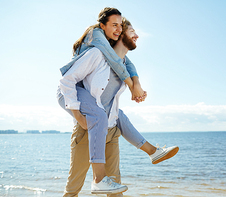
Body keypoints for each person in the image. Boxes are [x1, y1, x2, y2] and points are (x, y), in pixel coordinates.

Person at [58, 8, 179, 196]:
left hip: (111, 130)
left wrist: (134, 84)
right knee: (73, 188)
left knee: (115, 188)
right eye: (131, 32)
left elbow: (113, 101)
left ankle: (153, 151)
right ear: (119, 34)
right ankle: (148, 153)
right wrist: (78, 116)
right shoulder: (97, 55)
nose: (137, 36)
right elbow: (67, 82)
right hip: (87, 130)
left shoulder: (124, 65)